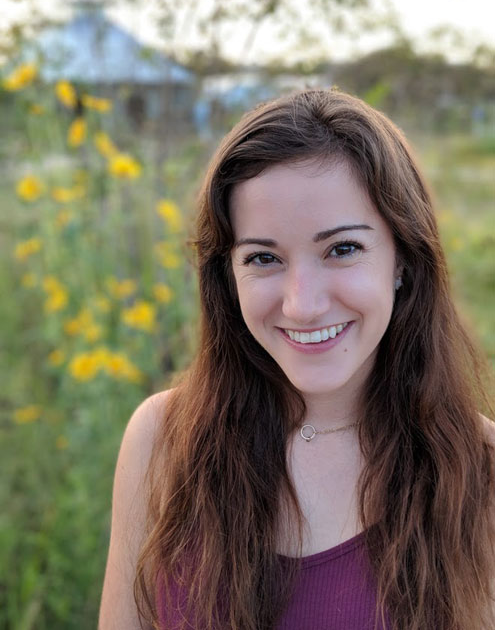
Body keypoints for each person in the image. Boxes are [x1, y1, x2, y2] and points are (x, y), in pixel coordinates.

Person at [99, 88, 495, 630]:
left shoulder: (482, 473)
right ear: (228, 276)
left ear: (402, 258)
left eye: (342, 249)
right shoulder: (162, 440)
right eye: (263, 257)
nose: (302, 305)